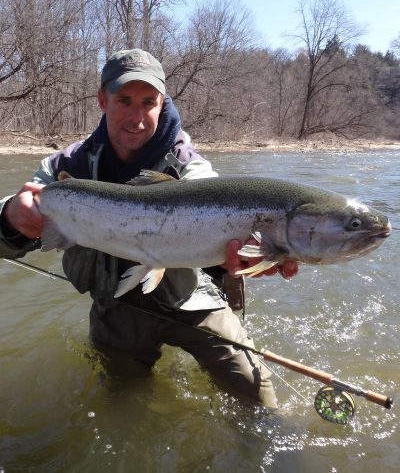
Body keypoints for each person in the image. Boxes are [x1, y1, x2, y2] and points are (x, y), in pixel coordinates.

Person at [0, 49, 298, 407]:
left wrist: (237, 258)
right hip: (117, 307)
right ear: (102, 99)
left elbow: (219, 205)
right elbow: (8, 234)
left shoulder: (188, 164)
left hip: (190, 297)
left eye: (148, 102)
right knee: (124, 405)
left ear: (162, 103)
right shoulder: (66, 165)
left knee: (258, 397)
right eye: (124, 101)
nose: (137, 117)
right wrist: (12, 217)